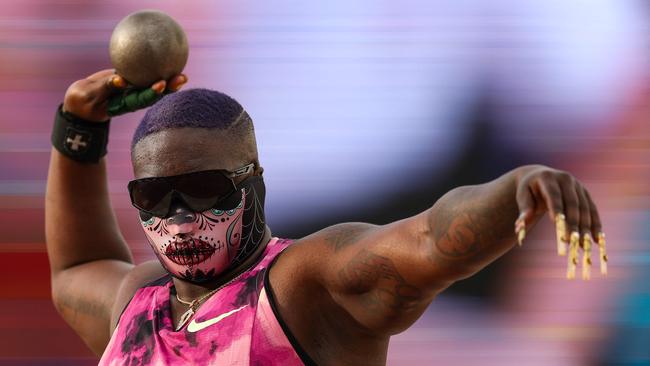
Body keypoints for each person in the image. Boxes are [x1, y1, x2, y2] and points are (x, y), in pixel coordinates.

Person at [45, 69, 606, 365]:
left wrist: (517, 190)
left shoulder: (300, 287)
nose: (181, 219)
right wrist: (79, 129)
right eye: (155, 197)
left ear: (253, 184)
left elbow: (431, 240)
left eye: (203, 190)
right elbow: (80, 265)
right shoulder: (140, 307)